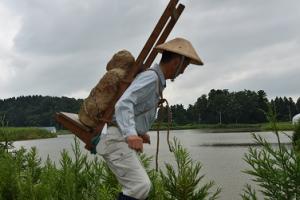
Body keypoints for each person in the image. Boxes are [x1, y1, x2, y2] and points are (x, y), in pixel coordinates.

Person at [96, 37, 203, 200]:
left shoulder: (155, 80)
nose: (183, 71)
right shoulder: (151, 78)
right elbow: (124, 104)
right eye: (185, 66)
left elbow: (135, 108)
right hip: (116, 139)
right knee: (139, 187)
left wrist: (139, 132)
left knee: (139, 187)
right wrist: (131, 134)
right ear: (176, 62)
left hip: (117, 137)